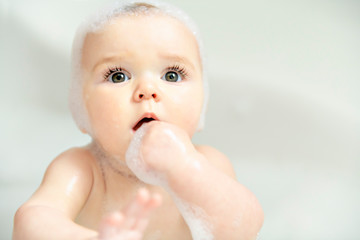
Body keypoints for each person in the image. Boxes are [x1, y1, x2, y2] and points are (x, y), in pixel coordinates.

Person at [13, 1, 264, 239]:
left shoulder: (209, 164)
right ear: (82, 105)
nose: (147, 90)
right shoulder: (82, 168)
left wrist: (187, 169)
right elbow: (32, 220)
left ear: (203, 100)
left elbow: (244, 229)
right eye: (118, 76)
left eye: (172, 75)